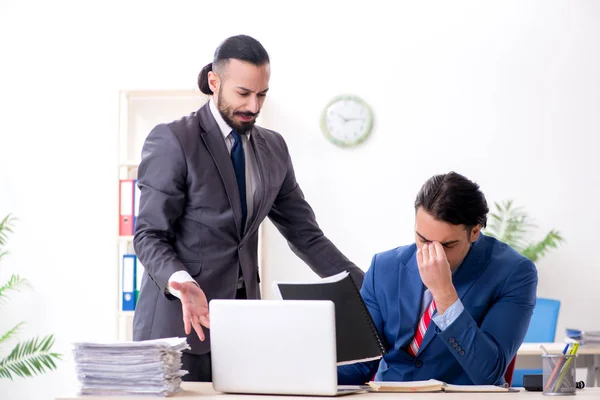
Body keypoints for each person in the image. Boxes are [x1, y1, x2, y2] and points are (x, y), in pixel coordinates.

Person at [132, 34, 364, 382]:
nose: (254, 106)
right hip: (176, 326)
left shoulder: (274, 148)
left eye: (262, 95)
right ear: (214, 81)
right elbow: (149, 234)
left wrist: (366, 287)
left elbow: (306, 235)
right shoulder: (174, 140)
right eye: (243, 93)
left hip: (241, 327)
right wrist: (180, 280)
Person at [338, 171, 538, 386]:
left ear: (475, 232)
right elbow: (361, 364)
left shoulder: (514, 273)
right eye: (423, 239)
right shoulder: (384, 268)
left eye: (447, 245)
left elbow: (488, 373)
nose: (433, 253)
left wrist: (444, 294)